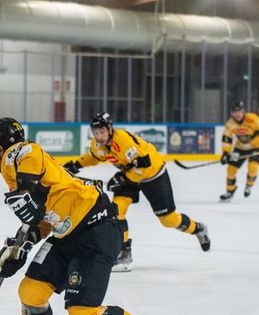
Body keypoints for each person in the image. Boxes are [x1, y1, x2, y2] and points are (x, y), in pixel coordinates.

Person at [0, 117, 183, 315]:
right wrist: (20, 247)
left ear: (0, 147)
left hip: (96, 230)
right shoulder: (21, 172)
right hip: (68, 235)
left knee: (82, 311)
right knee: (31, 290)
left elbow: (29, 166)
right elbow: (43, 219)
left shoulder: (22, 153)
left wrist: (26, 191)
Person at [62, 112, 209, 272]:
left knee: (168, 220)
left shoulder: (122, 140)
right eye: (95, 133)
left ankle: (198, 228)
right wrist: (75, 165)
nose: (99, 136)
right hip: (129, 174)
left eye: (102, 132)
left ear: (110, 129)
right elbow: (93, 157)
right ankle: (124, 254)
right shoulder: (98, 145)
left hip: (152, 174)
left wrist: (123, 178)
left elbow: (145, 163)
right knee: (117, 210)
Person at [218, 101, 259, 201]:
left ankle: (249, 185)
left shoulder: (252, 119)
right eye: (235, 112)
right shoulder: (230, 124)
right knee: (231, 169)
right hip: (240, 148)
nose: (237, 114)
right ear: (232, 113)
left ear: (243, 111)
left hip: (256, 147)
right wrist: (226, 153)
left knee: (253, 168)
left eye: (239, 111)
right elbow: (227, 138)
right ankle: (230, 191)